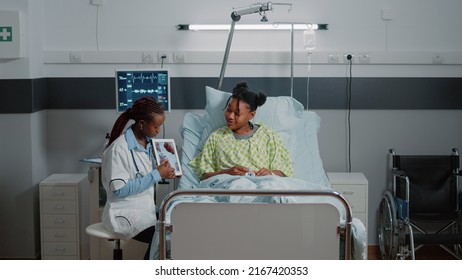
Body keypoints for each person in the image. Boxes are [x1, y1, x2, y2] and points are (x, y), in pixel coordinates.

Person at [101, 96, 176, 260]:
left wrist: (165, 172)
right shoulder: (119, 150)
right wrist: (156, 175)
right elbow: (120, 189)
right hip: (124, 214)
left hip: (143, 209)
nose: (158, 130)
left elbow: (145, 175)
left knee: (176, 223)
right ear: (141, 123)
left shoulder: (148, 144)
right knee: (164, 236)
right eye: (156, 126)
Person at [189, 81, 295, 180]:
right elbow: (204, 175)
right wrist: (226, 173)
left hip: (263, 185)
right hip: (230, 186)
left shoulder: (267, 135)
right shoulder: (217, 137)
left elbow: (283, 168)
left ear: (251, 115)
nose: (230, 116)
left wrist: (270, 174)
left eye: (237, 113)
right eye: (229, 110)